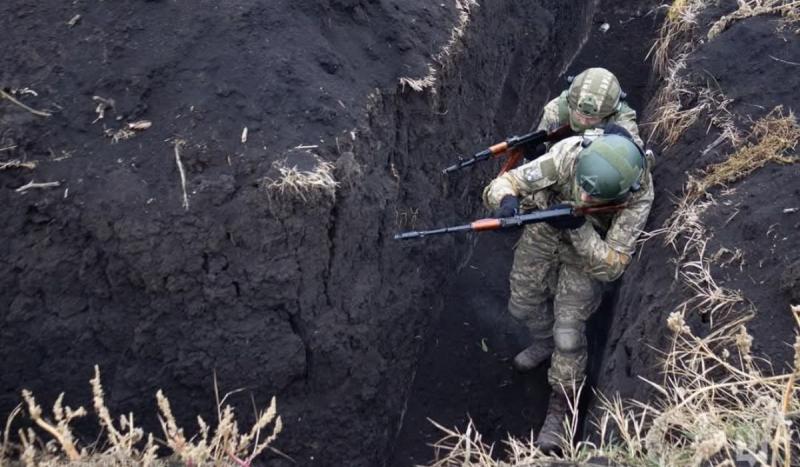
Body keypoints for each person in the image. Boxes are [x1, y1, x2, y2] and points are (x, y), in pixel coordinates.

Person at [482, 125, 653, 452]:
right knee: (521, 305)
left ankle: (562, 405)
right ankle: (543, 342)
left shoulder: (638, 195)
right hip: (544, 232)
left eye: (595, 196)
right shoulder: (570, 154)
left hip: (587, 255)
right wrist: (507, 202)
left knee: (568, 333)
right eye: (582, 187)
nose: (584, 198)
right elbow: (506, 182)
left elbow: (613, 265)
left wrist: (579, 229)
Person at [536, 67, 643, 147]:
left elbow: (635, 152)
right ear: (570, 104)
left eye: (592, 119)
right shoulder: (556, 110)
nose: (583, 122)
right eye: (579, 115)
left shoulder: (621, 117)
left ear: (610, 113)